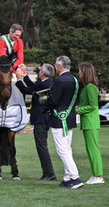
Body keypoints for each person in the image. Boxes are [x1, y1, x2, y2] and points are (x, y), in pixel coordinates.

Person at [41, 56, 83, 189]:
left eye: (55, 64)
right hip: (69, 117)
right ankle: (67, 178)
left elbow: (54, 100)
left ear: (59, 66)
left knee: (62, 150)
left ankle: (75, 177)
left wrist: (43, 107)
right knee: (67, 148)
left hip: (59, 118)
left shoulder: (60, 80)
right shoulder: (74, 79)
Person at [16, 63, 56, 181]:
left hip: (41, 120)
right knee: (41, 147)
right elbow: (33, 88)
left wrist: (19, 79)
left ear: (43, 73)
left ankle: (50, 174)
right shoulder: (47, 83)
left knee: (42, 147)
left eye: (40, 70)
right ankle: (47, 173)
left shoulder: (45, 84)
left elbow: (27, 90)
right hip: (43, 119)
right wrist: (25, 75)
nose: (39, 71)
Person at [76, 62, 104, 185]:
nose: (79, 73)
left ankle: (98, 176)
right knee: (90, 149)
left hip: (91, 122)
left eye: (80, 71)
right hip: (88, 122)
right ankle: (95, 175)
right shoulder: (88, 87)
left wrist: (78, 110)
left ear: (85, 73)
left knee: (93, 149)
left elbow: (93, 106)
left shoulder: (90, 87)